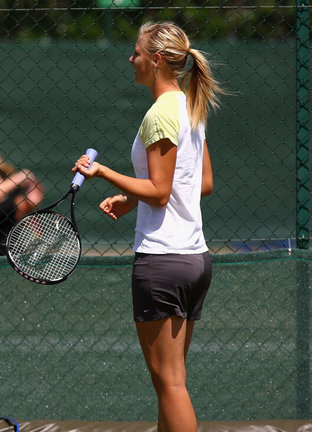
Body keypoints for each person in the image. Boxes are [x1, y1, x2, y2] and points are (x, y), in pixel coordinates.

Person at [73, 22, 225, 432]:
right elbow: (200, 184)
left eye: (136, 52)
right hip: (195, 260)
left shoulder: (160, 113)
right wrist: (131, 198)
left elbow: (161, 192)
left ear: (156, 59)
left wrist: (103, 172)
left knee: (170, 383)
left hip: (163, 262)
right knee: (171, 383)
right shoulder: (189, 106)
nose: (131, 58)